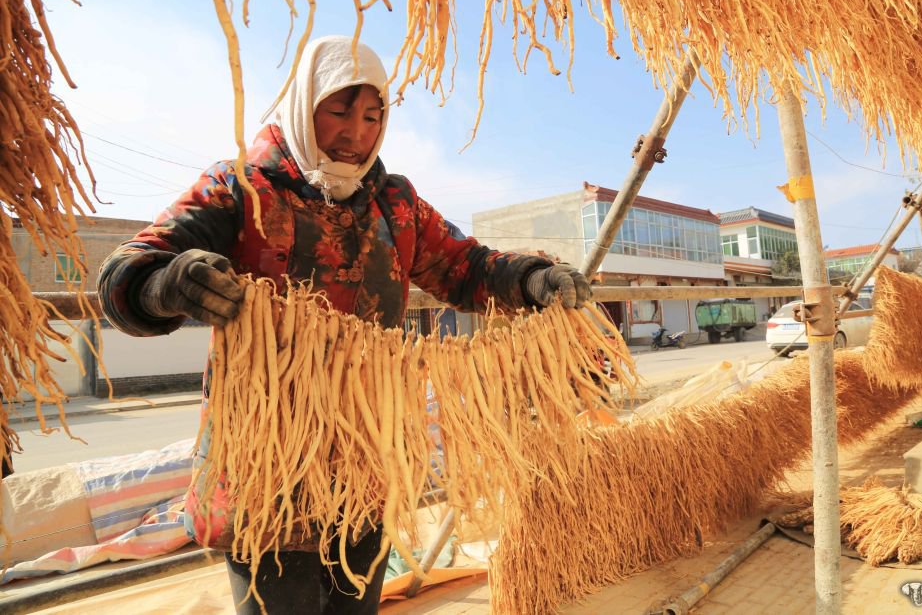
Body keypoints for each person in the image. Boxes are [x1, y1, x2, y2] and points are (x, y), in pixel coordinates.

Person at [98, 35, 591, 614]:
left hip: (366, 455)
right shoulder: (242, 188)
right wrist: (164, 284)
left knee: (357, 603)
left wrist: (531, 278)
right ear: (306, 105)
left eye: (372, 116)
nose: (356, 133)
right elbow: (128, 269)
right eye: (338, 110)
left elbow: (465, 266)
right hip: (268, 464)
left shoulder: (395, 204)